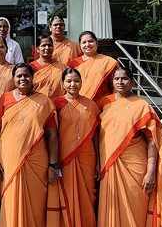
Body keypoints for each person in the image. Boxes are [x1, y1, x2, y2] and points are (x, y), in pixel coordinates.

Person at [0, 63, 60, 227]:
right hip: (9, 159)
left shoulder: (44, 101)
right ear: (13, 79)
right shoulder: (5, 99)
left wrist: (52, 165)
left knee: (36, 203)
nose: (23, 79)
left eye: (26, 75)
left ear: (32, 77)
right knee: (11, 200)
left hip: (37, 161)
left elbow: (52, 135)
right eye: (19, 76)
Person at [97, 66, 162, 227]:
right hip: (109, 163)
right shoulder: (104, 102)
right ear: (112, 82)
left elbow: (152, 141)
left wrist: (150, 172)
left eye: (124, 78)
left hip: (135, 165)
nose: (120, 82)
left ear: (132, 82)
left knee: (136, 208)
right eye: (116, 79)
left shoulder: (142, 106)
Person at [51, 68, 99, 227]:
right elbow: (52, 134)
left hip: (87, 156)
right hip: (65, 157)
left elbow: (96, 135)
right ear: (62, 84)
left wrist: (98, 161)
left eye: (76, 81)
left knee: (87, 194)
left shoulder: (91, 104)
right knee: (67, 194)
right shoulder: (56, 104)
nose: (73, 84)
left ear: (81, 82)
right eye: (69, 81)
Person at [67, 31, 119, 102]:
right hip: (78, 104)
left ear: (96, 43)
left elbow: (115, 87)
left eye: (90, 41)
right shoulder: (73, 64)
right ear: (80, 45)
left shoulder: (108, 62)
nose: (87, 44)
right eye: (84, 42)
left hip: (102, 105)